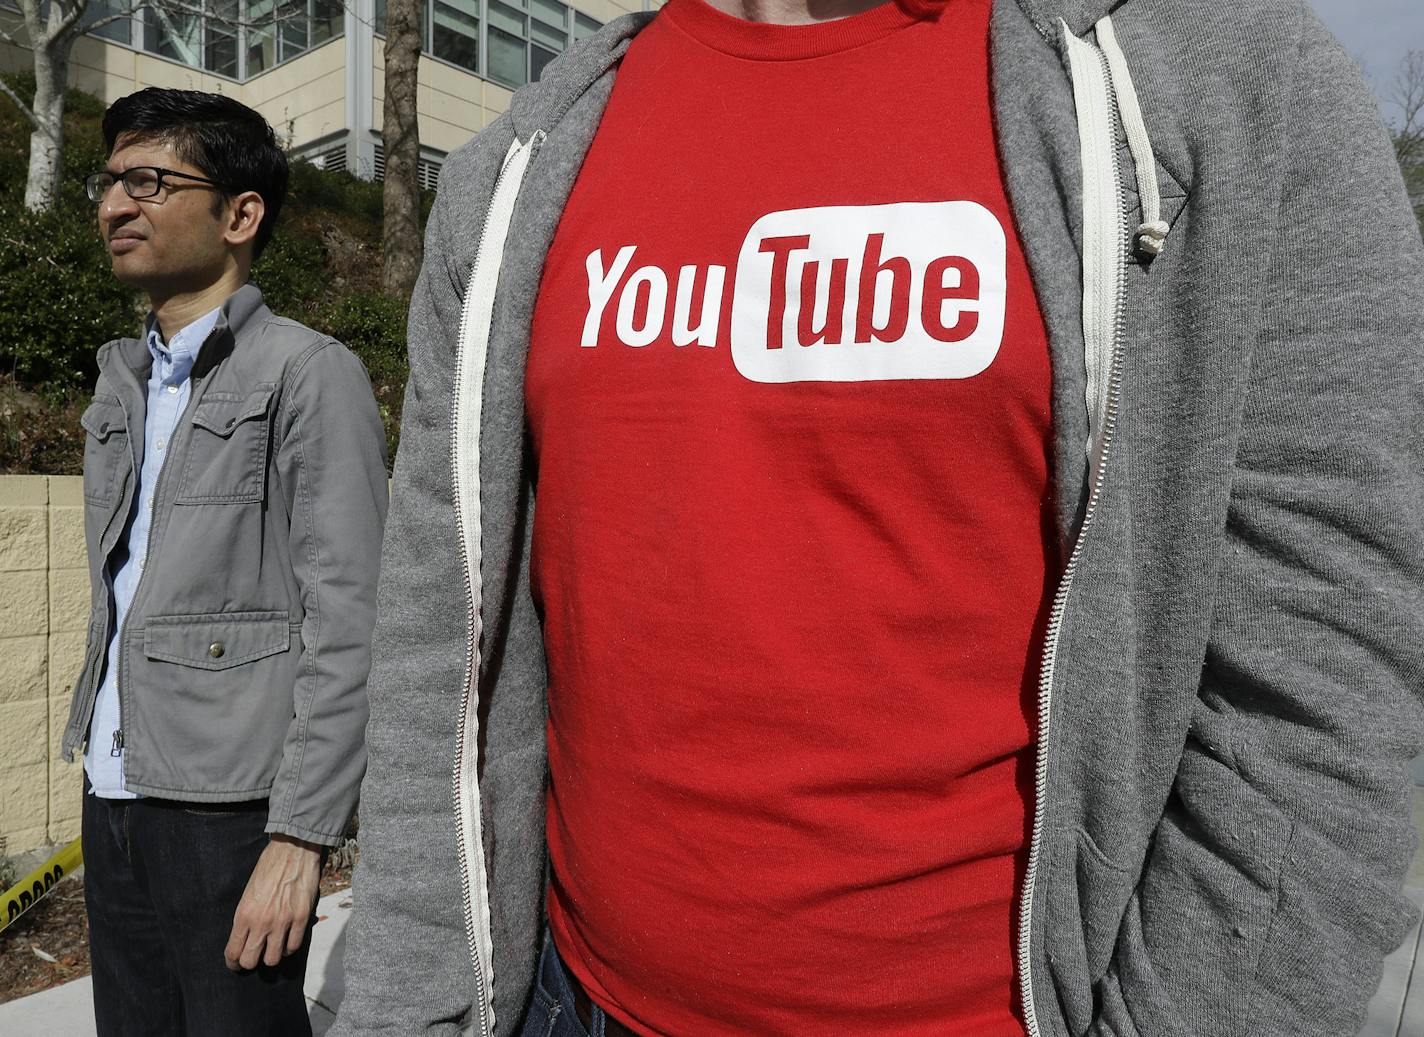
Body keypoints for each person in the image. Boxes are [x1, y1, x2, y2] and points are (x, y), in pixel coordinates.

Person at [331, 0, 1424, 1033]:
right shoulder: (521, 158)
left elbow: (1322, 675)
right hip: (571, 996)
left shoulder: (1214, 77)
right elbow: (436, 642)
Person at [62, 87, 388, 1036]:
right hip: (116, 786)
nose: (115, 203)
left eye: (150, 180)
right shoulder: (121, 379)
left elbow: (351, 617)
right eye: (110, 179)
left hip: (230, 808)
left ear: (241, 214)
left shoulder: (304, 371)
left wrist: (302, 834)